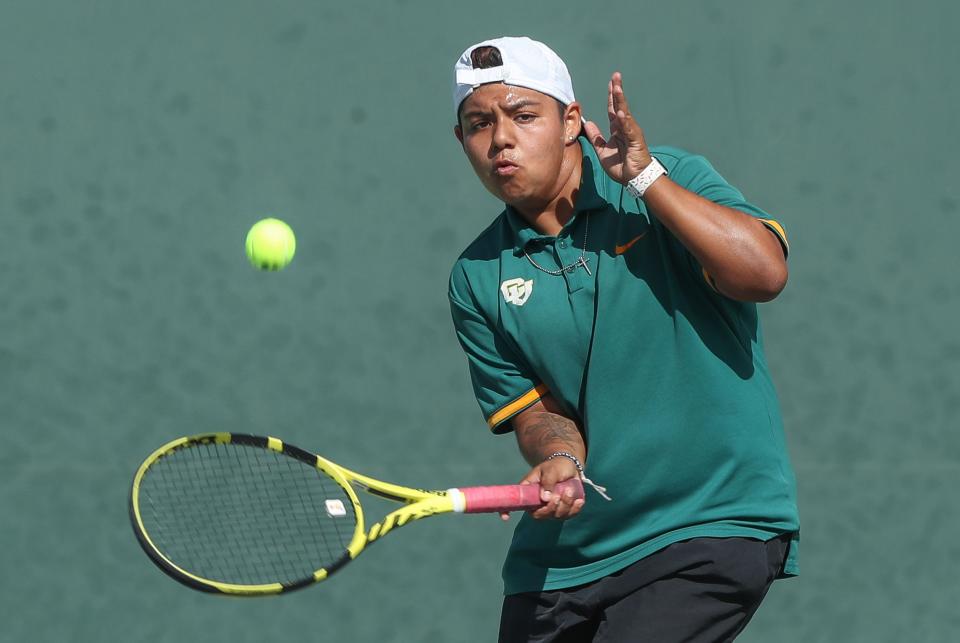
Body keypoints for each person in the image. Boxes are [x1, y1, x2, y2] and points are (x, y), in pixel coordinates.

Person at [447, 36, 800, 642]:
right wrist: (558, 457)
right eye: (480, 123)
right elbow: (537, 413)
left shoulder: (671, 179)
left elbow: (763, 274)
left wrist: (646, 180)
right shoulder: (475, 277)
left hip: (703, 527)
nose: (500, 138)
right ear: (463, 142)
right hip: (560, 564)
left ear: (570, 123)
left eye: (523, 115)